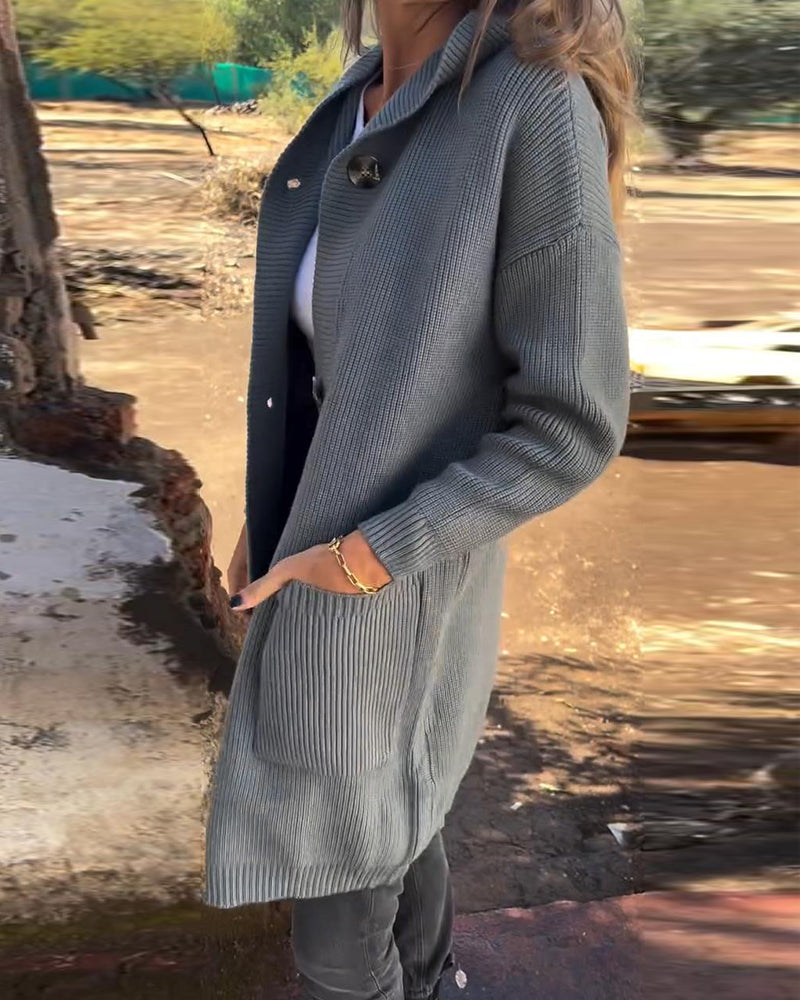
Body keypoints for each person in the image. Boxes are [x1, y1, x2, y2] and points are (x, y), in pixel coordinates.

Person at [204, 2, 636, 997]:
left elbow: (569, 424)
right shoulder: (356, 99)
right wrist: (270, 512)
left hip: (393, 580)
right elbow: (328, 371)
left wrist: (373, 553)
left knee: (338, 928)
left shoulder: (529, 100)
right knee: (397, 815)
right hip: (313, 553)